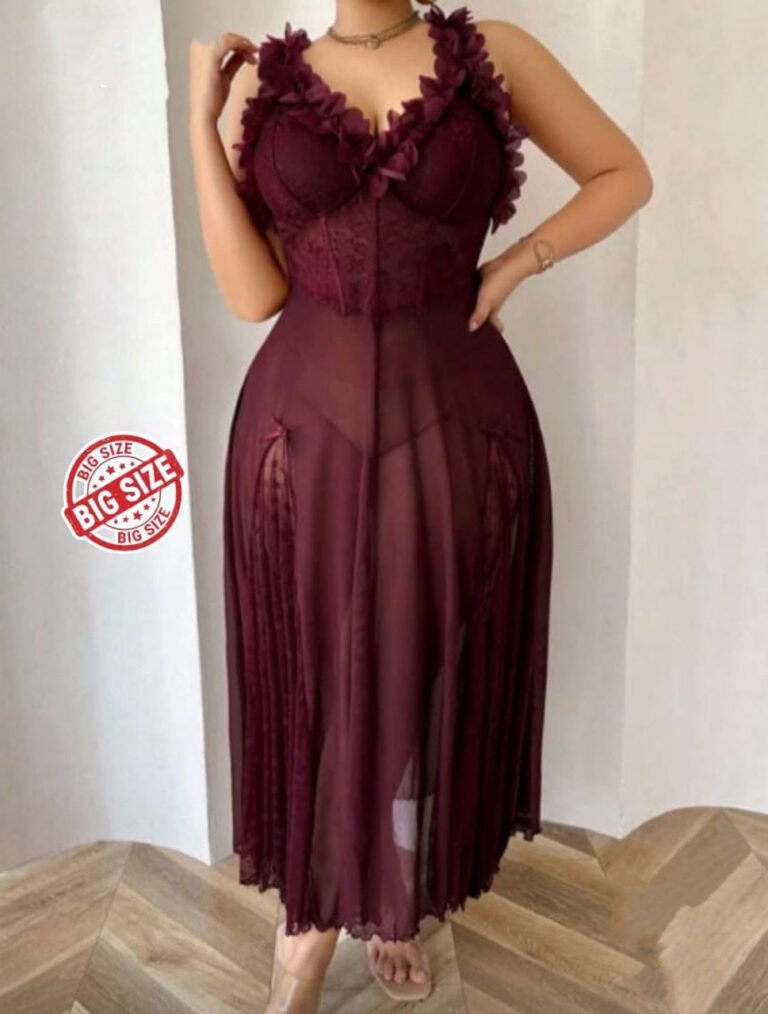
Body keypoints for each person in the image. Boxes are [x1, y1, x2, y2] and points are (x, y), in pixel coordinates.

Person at [188, 1, 652, 1009]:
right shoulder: (266, 81)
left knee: (418, 658)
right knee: (319, 670)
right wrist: (197, 123)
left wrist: (516, 264)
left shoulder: (493, 55)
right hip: (297, 427)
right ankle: (312, 924)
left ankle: (387, 891)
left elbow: (625, 173)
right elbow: (252, 295)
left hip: (459, 411)